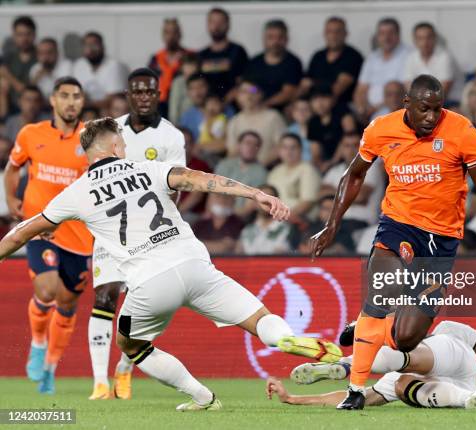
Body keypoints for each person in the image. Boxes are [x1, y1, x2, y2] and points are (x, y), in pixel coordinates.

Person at [0, 117, 342, 411]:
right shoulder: (149, 168)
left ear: (88, 154)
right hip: (195, 265)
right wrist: (257, 194)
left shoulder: (77, 192)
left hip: (149, 282)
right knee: (259, 319)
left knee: (131, 346)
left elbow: (20, 233)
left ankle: (202, 396)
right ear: (118, 146)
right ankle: (285, 339)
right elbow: (202, 180)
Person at [310, 74, 476, 410]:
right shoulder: (380, 129)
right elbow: (354, 174)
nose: (431, 117)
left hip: (442, 241)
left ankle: (371, 328)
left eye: (437, 109)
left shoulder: (462, 132)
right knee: (380, 293)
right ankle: (355, 390)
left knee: (406, 339)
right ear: (407, 104)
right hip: (398, 226)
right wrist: (332, 224)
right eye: (424, 109)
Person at [87, 68, 187, 401]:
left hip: (152, 233)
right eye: (137, 91)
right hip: (111, 229)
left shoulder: (171, 137)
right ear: (128, 95)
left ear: (158, 94)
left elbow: (178, 183)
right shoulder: (111, 131)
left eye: (149, 91)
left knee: (140, 305)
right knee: (104, 297)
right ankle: (100, 384)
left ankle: (124, 369)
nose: (143, 96)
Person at [268, 320, 476, 411]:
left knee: (411, 358)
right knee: (397, 385)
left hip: (458, 364)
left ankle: (345, 363)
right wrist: (293, 399)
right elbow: (358, 397)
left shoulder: (450, 330)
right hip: (461, 392)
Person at [3, 77, 93, 394]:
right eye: (65, 96)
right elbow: (13, 168)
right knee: (48, 287)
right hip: (41, 226)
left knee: (67, 306)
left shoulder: (92, 139)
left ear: (83, 102)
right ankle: (38, 344)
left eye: (77, 97)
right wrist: (12, 198)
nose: (71, 102)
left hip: (80, 234)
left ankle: (50, 368)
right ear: (53, 100)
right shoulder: (31, 134)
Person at [321, 133, 384, 227]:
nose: (351, 150)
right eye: (347, 146)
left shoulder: (371, 168)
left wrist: (332, 192)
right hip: (336, 221)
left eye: (355, 145)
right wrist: (349, 194)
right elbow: (320, 193)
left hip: (360, 221)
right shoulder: (334, 170)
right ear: (341, 149)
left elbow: (360, 197)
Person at [299, 16, 363, 108]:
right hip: (314, 104)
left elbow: (337, 89)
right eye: (329, 32)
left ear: (345, 34)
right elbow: (304, 85)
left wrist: (314, 84)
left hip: (342, 106)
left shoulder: (353, 57)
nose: (333, 36)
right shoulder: (318, 56)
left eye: (337, 32)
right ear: (324, 34)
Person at [353, 18, 410, 120]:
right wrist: (361, 109)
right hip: (370, 113)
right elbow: (360, 90)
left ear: (398, 35)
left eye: (390, 33)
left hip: (396, 111)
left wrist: (374, 108)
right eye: (382, 33)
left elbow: (400, 91)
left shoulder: (408, 55)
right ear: (378, 37)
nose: (386, 37)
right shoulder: (372, 57)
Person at [244, 19, 303, 111]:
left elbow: (287, 93)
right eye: (271, 37)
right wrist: (254, 92)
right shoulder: (254, 62)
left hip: (281, 111)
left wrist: (264, 105)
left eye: (280, 37)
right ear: (264, 39)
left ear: (286, 39)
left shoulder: (293, 63)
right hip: (254, 107)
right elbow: (249, 87)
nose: (275, 42)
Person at [226, 81, 286, 167]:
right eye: (244, 92)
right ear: (238, 96)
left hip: (268, 168)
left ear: (260, 94)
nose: (249, 95)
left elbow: (282, 146)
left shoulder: (273, 117)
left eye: (253, 90)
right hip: (242, 172)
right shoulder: (235, 121)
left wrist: (259, 166)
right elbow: (232, 152)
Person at [404, 22, 463, 105]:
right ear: (415, 40)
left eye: (428, 38)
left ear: (435, 38)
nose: (425, 42)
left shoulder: (445, 56)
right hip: (423, 104)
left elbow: (442, 90)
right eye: (420, 38)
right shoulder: (411, 57)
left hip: (450, 103)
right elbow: (409, 87)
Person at [267, 133, 321, 221]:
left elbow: (307, 203)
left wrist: (281, 219)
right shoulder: (274, 172)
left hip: (301, 221)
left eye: (293, 148)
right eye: (285, 148)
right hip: (277, 220)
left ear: (301, 150)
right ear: (279, 150)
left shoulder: (308, 170)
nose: (289, 152)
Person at [199, 7, 248, 101]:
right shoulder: (202, 55)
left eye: (220, 22)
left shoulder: (238, 51)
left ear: (228, 25)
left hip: (233, 106)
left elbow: (243, 83)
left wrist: (224, 102)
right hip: (206, 107)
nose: (216, 26)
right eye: (213, 22)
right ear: (208, 25)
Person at [214, 131, 268, 218]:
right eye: (247, 143)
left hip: (240, 218)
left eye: (255, 145)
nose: (251, 147)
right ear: (239, 145)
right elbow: (212, 192)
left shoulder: (261, 172)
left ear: (259, 149)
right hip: (216, 213)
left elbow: (251, 205)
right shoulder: (224, 164)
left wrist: (230, 217)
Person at [72, 32, 128, 108]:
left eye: (94, 45)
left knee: (119, 104)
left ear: (102, 47)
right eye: (87, 45)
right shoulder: (79, 65)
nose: (90, 49)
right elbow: (78, 93)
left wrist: (87, 105)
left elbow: (112, 99)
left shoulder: (115, 65)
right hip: (87, 109)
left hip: (108, 109)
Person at [148, 18, 191, 114]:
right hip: (160, 105)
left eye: (174, 32)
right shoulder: (156, 59)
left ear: (180, 34)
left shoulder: (188, 56)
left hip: (182, 104)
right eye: (167, 32)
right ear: (162, 35)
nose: (171, 36)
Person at [236, 185, 291, 255]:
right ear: (254, 202)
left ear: (277, 202)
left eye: (270, 198)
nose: (266, 202)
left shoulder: (289, 230)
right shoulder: (246, 231)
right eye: (263, 198)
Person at [0, 16, 37, 109]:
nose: (24, 39)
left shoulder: (41, 56)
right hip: (11, 107)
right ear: (14, 36)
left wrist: (11, 79)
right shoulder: (9, 57)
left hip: (34, 107)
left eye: (28, 34)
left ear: (34, 35)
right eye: (20, 34)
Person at [307, 85, 346, 169]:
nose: (320, 103)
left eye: (324, 98)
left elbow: (348, 139)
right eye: (315, 99)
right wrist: (319, 164)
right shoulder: (313, 122)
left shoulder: (343, 114)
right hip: (326, 163)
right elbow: (315, 150)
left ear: (332, 99)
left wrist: (332, 162)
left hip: (347, 161)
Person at [168, 53, 200, 124]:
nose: (190, 68)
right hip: (181, 122)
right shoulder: (178, 82)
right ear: (181, 67)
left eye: (193, 65)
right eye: (187, 65)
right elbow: (174, 106)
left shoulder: (201, 81)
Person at [179, 72, 210, 142]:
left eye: (201, 86)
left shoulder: (224, 110)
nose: (197, 92)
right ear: (188, 92)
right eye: (192, 88)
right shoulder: (186, 117)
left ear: (208, 87)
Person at [286, 97, 313, 162]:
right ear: (293, 112)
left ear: (312, 112)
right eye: (298, 109)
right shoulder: (289, 131)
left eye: (305, 109)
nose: (301, 112)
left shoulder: (318, 129)